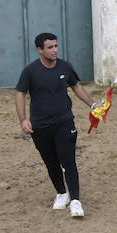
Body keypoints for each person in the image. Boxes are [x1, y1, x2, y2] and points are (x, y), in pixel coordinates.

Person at [15, 31, 96, 218]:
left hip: (64, 122)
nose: (54, 50)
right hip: (40, 126)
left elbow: (76, 86)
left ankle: (76, 200)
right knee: (50, 162)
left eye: (56, 46)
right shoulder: (30, 71)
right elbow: (20, 93)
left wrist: (92, 104)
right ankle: (61, 192)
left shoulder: (65, 67)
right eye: (50, 47)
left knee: (68, 160)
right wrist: (23, 119)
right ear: (40, 50)